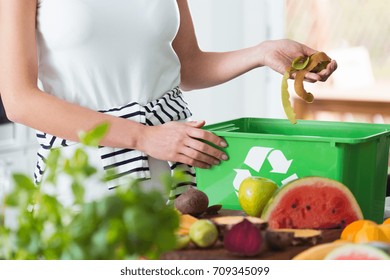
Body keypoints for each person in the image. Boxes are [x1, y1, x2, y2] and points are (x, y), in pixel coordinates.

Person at [0, 0, 337, 202]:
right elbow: (19, 99)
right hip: (85, 175)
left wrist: (262, 53)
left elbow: (188, 66)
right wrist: (143, 137)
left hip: (175, 168)